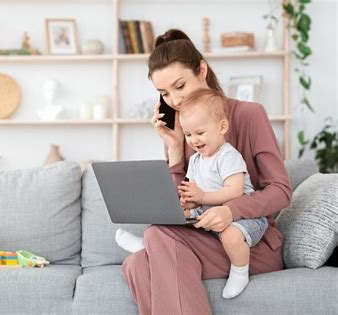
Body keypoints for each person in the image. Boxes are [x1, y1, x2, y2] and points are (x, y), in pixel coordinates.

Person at [117, 29, 292, 315]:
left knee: (158, 239)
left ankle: (155, 245)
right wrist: (174, 148)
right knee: (136, 264)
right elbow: (179, 205)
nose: (173, 99)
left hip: (247, 245)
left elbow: (281, 191)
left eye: (180, 86)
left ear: (201, 69)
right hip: (201, 239)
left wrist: (231, 211)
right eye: (164, 93)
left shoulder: (249, 115)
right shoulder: (183, 132)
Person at [116, 88, 269, 299]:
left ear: (222, 127)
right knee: (166, 223)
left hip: (242, 218)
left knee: (231, 235)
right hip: (208, 215)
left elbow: (234, 191)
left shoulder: (228, 156)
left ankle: (240, 271)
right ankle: (149, 245)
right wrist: (188, 203)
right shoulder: (196, 159)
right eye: (188, 134)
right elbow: (193, 192)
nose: (194, 140)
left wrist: (202, 197)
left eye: (200, 133)